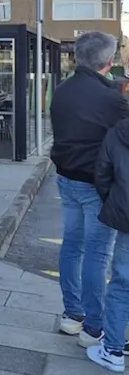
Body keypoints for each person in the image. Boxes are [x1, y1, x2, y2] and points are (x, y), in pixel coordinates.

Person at [51, 31, 127, 346]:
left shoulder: (62, 90)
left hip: (65, 179)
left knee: (72, 246)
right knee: (97, 253)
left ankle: (73, 315)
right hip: (95, 184)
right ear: (109, 61)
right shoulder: (112, 100)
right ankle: (94, 327)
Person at [88, 113, 129, 372]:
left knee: (122, 284)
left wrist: (115, 202)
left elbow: (102, 173)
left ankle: (113, 349)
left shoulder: (119, 131)